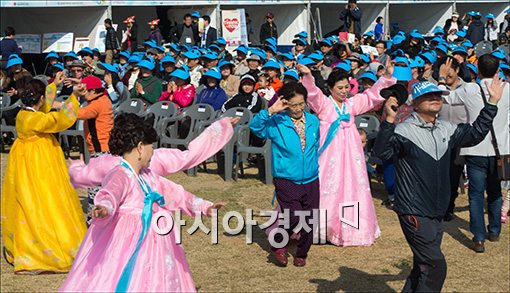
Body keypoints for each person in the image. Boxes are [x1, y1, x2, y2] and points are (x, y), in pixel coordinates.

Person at [59, 113, 227, 292]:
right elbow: (111, 193)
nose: (153, 152)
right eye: (151, 147)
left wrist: (203, 206)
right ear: (140, 147)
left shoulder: (148, 176)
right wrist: (105, 207)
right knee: (126, 276)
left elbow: (175, 193)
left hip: (155, 242)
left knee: (156, 277)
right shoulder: (120, 174)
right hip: (128, 241)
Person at [374, 78, 504, 292]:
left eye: (438, 95)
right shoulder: (403, 131)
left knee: (423, 266)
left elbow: (475, 134)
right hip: (414, 211)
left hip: (437, 210)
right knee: (435, 266)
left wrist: (492, 103)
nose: (435, 98)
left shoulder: (447, 128)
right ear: (415, 103)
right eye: (428, 96)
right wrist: (388, 121)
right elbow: (381, 153)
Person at [298, 61, 396, 247]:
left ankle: (349, 229)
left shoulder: (351, 104)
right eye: (340, 88)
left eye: (346, 87)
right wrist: (307, 75)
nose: (344, 91)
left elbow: (371, 96)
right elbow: (311, 93)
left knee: (351, 186)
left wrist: (387, 78)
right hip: (329, 154)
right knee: (326, 185)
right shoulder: (324, 104)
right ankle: (321, 229)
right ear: (330, 88)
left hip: (351, 154)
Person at [2, 73, 86, 274]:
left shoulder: (24, 115)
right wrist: (74, 97)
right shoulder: (36, 119)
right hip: (40, 163)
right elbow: (59, 119)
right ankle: (44, 246)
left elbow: (44, 108)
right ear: (39, 99)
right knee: (46, 198)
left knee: (27, 199)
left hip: (24, 162)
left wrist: (52, 86)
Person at [438, 54, 509, 252]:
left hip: (475, 148)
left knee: (476, 195)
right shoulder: (508, 89)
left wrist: (442, 78)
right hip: (501, 149)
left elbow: (445, 96)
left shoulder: (469, 89)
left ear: (478, 71)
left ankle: (478, 238)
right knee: (495, 192)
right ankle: (494, 230)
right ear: (497, 71)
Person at [249, 82, 321, 267]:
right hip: (286, 179)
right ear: (285, 103)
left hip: (311, 179)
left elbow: (315, 145)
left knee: (310, 219)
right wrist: (271, 110)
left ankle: (302, 253)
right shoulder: (277, 122)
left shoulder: (313, 121)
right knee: (294, 217)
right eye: (293, 104)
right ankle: (278, 246)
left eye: (301, 103)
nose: (298, 108)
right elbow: (255, 128)